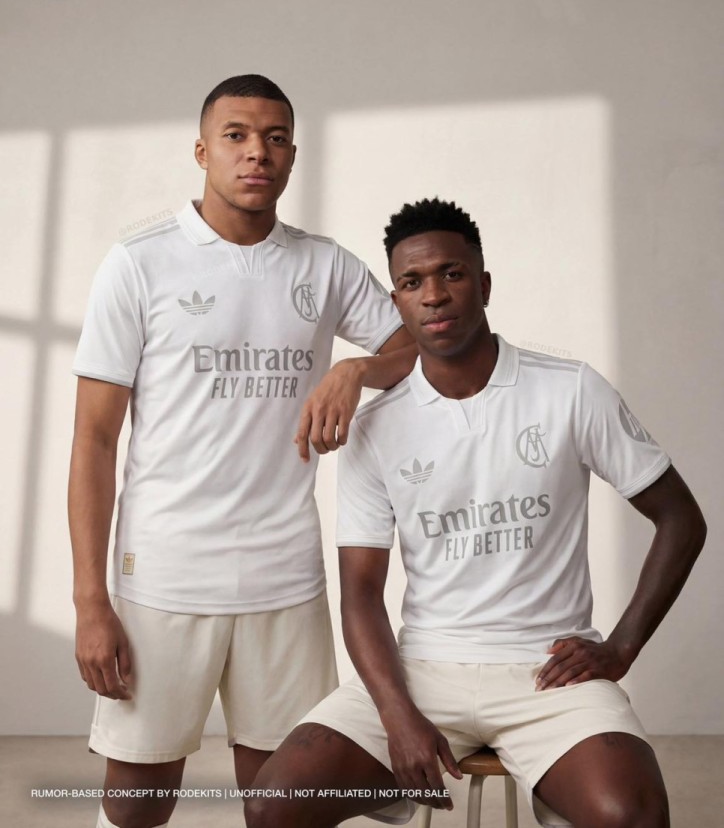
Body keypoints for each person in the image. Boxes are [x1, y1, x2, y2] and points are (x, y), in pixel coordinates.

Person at [245, 197, 707, 828]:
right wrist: (397, 715)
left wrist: (621, 647)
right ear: (397, 303)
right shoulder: (376, 426)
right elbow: (361, 595)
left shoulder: (569, 389)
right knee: (274, 806)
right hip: (423, 670)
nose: (433, 295)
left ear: (484, 284)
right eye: (412, 283)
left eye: (451, 274)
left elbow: (681, 518)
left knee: (633, 816)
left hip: (548, 673)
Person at [68, 74, 415, 828]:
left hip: (283, 574)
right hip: (165, 575)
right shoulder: (140, 263)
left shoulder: (323, 265)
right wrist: (90, 601)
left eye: (276, 138)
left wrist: (356, 369)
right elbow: (94, 439)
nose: (257, 151)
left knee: (282, 802)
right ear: (202, 151)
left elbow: (413, 344)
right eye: (236, 135)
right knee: (137, 803)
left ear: (291, 155)